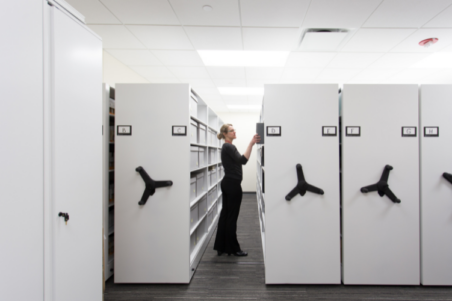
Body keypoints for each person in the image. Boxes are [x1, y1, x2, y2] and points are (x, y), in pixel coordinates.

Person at [213, 124, 260, 256]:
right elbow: (242, 160)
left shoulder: (226, 147)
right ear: (225, 134)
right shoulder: (229, 146)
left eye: (234, 130)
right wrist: (251, 144)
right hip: (232, 185)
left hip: (228, 183)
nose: (234, 132)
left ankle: (221, 247)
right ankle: (233, 249)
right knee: (231, 217)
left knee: (226, 216)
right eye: (231, 130)